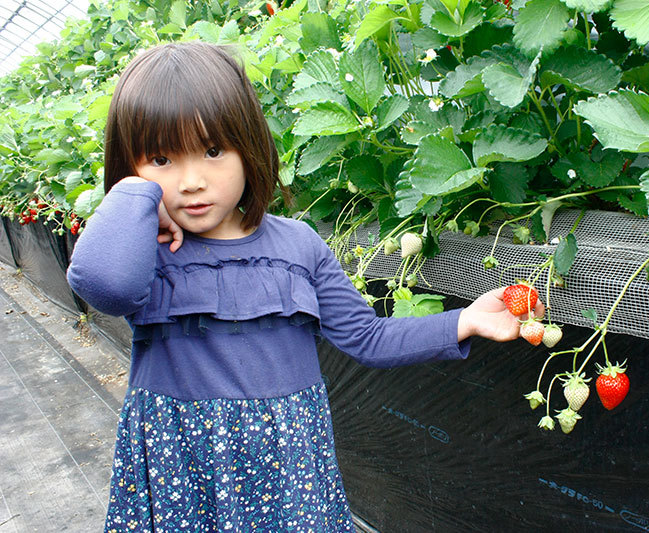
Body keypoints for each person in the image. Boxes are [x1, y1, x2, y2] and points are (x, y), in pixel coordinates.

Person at [67, 41, 543, 532]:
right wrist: (135, 196)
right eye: (159, 158)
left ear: (248, 145)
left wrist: (465, 320)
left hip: (288, 470)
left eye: (212, 151)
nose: (191, 181)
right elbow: (102, 285)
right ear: (129, 164)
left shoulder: (297, 244)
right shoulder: (147, 251)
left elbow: (368, 338)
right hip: (184, 471)